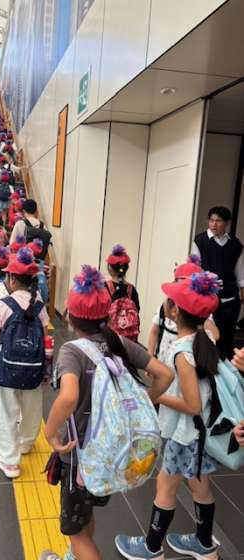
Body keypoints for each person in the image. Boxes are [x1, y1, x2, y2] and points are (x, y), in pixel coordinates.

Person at [41, 265, 173, 560]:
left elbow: (68, 397)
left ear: (70, 315)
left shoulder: (72, 351)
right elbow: (165, 374)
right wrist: (145, 402)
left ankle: (78, 552)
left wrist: (50, 433)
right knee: (85, 515)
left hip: (80, 456)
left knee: (75, 532)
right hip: (111, 453)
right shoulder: (118, 342)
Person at [115, 271, 222, 560]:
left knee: (165, 484)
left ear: (175, 311)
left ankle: (151, 548)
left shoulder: (182, 351)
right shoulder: (204, 339)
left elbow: (192, 405)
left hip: (185, 434)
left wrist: (154, 396)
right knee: (200, 485)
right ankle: (204, 544)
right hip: (199, 434)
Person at [0, 248, 49, 479]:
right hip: (33, 370)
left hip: (7, 368)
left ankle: (10, 461)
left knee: (7, 411)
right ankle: (26, 443)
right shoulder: (39, 305)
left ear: (12, 278)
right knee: (32, 408)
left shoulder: (4, 304)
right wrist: (45, 369)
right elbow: (45, 339)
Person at [192, 206, 244, 358]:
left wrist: (242, 290)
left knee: (227, 337)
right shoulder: (200, 241)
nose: (213, 224)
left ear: (227, 223)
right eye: (211, 220)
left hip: (229, 298)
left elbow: (240, 271)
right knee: (207, 336)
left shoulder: (235, 244)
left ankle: (224, 365)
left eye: (218, 221)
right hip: (207, 297)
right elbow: (195, 268)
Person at [148, 257, 219, 363]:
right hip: (163, 361)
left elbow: (215, 335)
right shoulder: (165, 307)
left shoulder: (201, 312)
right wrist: (150, 357)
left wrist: (200, 311)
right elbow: (154, 331)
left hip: (186, 362)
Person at [105, 245, 140, 341]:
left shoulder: (104, 287)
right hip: (129, 340)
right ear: (126, 269)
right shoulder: (132, 289)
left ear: (110, 268)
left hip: (110, 339)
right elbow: (137, 310)